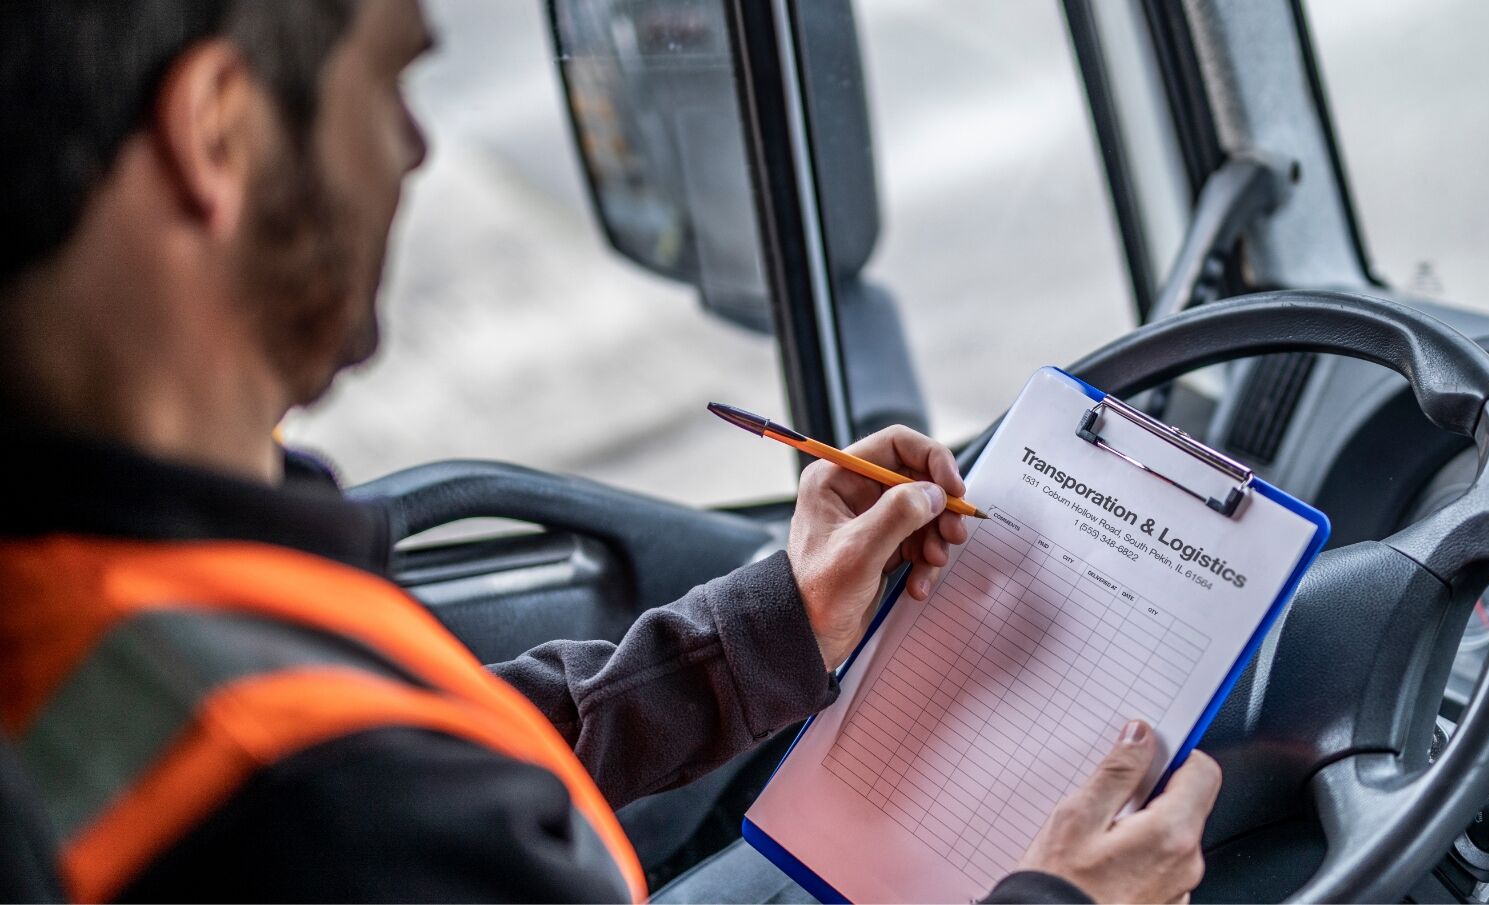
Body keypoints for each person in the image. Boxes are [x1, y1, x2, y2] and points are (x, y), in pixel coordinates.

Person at [0, 1, 1223, 902]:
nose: (418, 149)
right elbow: (381, 772)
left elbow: (442, 722)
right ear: (218, 135)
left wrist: (763, 636)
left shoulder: (113, 579)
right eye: (389, 84)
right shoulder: (339, 810)